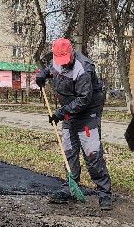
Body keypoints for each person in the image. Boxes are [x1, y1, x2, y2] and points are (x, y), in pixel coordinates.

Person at [36, 38, 112, 210]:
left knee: (92, 153)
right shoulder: (56, 60)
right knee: (69, 150)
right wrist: (43, 74)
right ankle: (70, 187)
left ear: (72, 52)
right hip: (70, 111)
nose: (64, 63)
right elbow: (52, 69)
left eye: (67, 59)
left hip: (87, 112)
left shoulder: (83, 68)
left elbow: (84, 99)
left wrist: (61, 113)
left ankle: (104, 193)